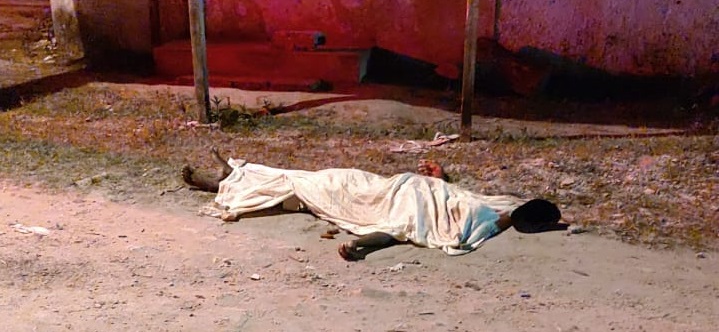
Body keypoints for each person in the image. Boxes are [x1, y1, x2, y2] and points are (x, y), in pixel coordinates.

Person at [182, 149, 565, 261]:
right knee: (320, 180)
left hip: (387, 195)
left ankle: (228, 180)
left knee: (314, 183)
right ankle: (234, 175)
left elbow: (407, 225)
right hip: (391, 189)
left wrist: (360, 244)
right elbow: (444, 198)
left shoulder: (480, 221)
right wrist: (440, 176)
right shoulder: (486, 208)